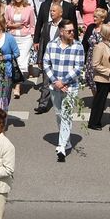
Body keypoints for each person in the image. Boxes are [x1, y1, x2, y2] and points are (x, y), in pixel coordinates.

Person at [42, 19, 86, 163]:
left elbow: (78, 68)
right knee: (58, 114)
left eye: (73, 30)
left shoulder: (78, 46)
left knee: (66, 115)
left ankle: (61, 146)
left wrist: (64, 82)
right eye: (69, 31)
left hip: (70, 88)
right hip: (54, 86)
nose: (72, 33)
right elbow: (46, 64)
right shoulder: (51, 45)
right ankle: (66, 141)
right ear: (61, 32)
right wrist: (56, 81)